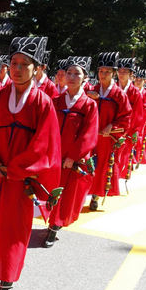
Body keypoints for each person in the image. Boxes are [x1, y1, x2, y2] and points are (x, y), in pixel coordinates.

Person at [0, 36, 60, 290]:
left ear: (37, 68)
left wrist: (15, 170)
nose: (17, 69)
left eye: (24, 64)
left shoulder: (42, 103)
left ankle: (7, 280)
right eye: (13, 63)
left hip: (18, 181)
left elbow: (44, 145)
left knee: (11, 231)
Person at [44, 56, 98, 247]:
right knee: (50, 189)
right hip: (53, 156)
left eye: (77, 74)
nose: (72, 77)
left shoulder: (89, 105)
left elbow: (89, 135)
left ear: (85, 78)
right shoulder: (56, 101)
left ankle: (54, 226)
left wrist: (73, 157)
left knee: (66, 194)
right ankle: (52, 220)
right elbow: (46, 128)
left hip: (72, 159)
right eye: (69, 73)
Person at [86, 52, 131, 210]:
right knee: (88, 165)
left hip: (107, 138)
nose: (103, 75)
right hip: (92, 137)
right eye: (100, 71)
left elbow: (126, 117)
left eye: (106, 72)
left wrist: (112, 126)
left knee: (103, 168)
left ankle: (95, 196)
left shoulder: (119, 94)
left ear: (113, 73)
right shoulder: (93, 89)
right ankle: (84, 192)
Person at [116, 58, 144, 181]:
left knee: (121, 157)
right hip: (111, 128)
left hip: (126, 129)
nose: (121, 74)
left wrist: (130, 131)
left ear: (131, 74)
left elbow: (138, 114)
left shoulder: (135, 93)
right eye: (119, 71)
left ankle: (114, 180)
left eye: (125, 72)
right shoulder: (112, 89)